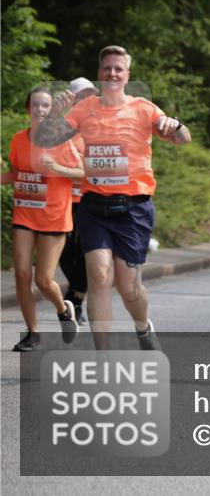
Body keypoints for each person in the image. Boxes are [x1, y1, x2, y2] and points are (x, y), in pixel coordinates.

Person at [34, 46, 191, 350]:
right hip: (94, 205)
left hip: (133, 208)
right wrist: (55, 112)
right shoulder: (84, 109)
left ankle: (143, 327)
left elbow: (183, 140)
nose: (113, 74)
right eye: (107, 68)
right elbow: (44, 139)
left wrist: (176, 125)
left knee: (129, 287)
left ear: (127, 75)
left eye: (119, 69)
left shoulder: (144, 108)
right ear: (99, 73)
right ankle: (103, 358)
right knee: (99, 276)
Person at [3, 87, 82, 351]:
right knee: (23, 273)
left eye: (44, 106)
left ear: (51, 112)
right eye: (35, 105)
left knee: (44, 280)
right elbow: (16, 173)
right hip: (25, 211)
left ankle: (63, 311)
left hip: (54, 216)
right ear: (28, 109)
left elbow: (82, 173)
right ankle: (32, 333)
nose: (39, 110)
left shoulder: (62, 139)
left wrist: (57, 168)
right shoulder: (18, 139)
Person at [58, 78, 99, 323]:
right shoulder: (63, 126)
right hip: (61, 198)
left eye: (90, 95)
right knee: (63, 251)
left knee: (85, 253)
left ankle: (76, 301)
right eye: (81, 95)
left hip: (88, 198)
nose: (86, 99)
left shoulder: (97, 127)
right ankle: (75, 293)